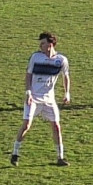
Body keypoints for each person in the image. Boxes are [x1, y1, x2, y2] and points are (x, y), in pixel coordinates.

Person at [11, 32, 71, 167]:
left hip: (49, 99)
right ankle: (15, 153)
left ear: (50, 44)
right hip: (33, 98)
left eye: (43, 43)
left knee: (56, 126)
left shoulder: (61, 60)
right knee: (26, 125)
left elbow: (65, 76)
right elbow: (28, 74)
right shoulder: (35, 57)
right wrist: (28, 92)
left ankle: (60, 157)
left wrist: (67, 93)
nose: (40, 45)